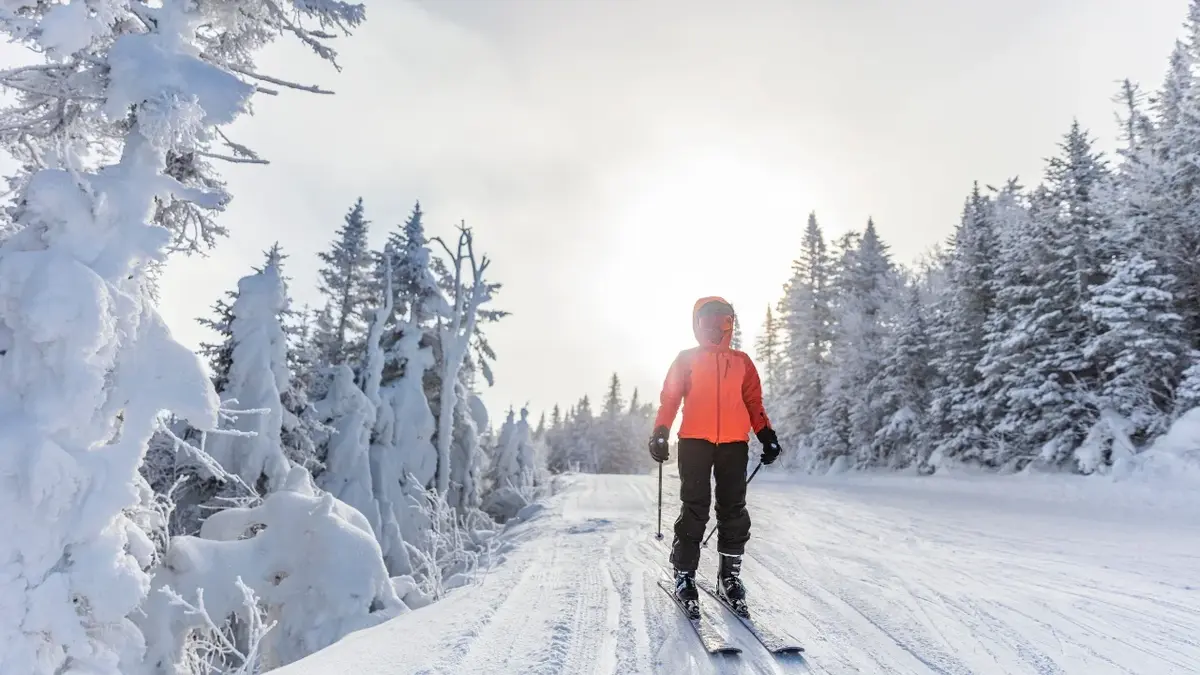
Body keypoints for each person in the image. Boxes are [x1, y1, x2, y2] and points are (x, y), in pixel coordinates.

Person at [648, 296, 781, 617]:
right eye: (710, 320)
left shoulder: (742, 362)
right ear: (697, 323)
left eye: (724, 320)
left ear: (731, 324)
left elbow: (754, 402)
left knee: (733, 509)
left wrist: (766, 434)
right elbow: (669, 398)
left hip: (735, 443)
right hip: (694, 441)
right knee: (695, 507)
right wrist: (660, 431)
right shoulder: (686, 359)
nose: (718, 326)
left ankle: (729, 577)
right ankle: (684, 575)